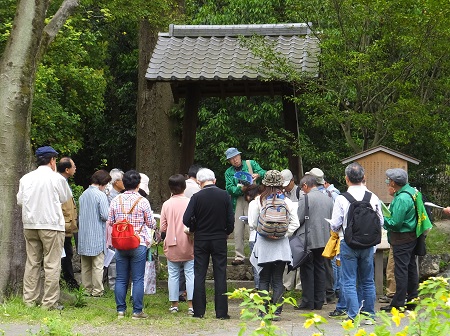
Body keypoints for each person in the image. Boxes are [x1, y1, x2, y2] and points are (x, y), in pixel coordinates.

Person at [17, 146, 72, 310]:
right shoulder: (57, 179)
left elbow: (20, 201)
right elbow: (65, 197)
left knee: (32, 262)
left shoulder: (26, 178)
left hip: (30, 224)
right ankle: (49, 303)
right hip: (51, 225)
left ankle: (29, 300)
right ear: (52, 160)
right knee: (52, 263)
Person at [329, 162, 383, 322]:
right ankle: (369, 315)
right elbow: (380, 222)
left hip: (348, 243)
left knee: (349, 280)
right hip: (368, 244)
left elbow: (335, 224)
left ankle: (353, 315)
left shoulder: (342, 198)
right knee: (367, 280)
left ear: (346, 179)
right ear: (364, 177)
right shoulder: (373, 197)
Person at [183, 168, 234, 319]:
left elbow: (186, 219)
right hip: (219, 238)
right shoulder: (224, 195)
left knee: (199, 274)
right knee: (220, 274)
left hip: (201, 239)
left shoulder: (197, 197)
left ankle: (198, 311)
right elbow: (230, 220)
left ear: (199, 182)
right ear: (215, 180)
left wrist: (194, 226)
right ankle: (221, 312)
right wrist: (226, 232)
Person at [249, 170, 300, 320]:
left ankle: (263, 312)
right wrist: (282, 234)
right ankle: (276, 312)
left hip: (264, 245)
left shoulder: (258, 201)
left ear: (264, 183)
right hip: (281, 247)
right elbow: (295, 223)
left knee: (264, 279)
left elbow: (252, 223)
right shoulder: (287, 202)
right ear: (280, 184)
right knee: (278, 279)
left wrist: (266, 232)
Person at [107, 170, 157, 319]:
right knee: (137, 279)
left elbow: (110, 221)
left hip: (121, 243)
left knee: (121, 278)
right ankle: (137, 311)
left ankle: (120, 311)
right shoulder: (142, 201)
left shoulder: (116, 200)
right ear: (138, 184)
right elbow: (150, 223)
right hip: (138, 243)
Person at [380, 168, 420, 312]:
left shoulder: (402, 198)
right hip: (411, 236)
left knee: (400, 270)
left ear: (394, 182)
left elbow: (396, 223)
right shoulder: (412, 192)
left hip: (401, 238)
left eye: (388, 180)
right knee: (410, 268)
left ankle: (398, 303)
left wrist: (382, 219)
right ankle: (412, 300)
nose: (387, 182)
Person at [295, 174, 333, 310]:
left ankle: (308, 301)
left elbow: (299, 219)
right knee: (320, 268)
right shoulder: (328, 198)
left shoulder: (305, 198)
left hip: (308, 239)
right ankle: (319, 301)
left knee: (307, 270)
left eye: (302, 187)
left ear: (305, 186)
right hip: (324, 239)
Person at [224, 147, 266, 265]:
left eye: (236, 157)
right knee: (238, 228)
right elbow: (229, 188)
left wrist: (258, 175)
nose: (234, 160)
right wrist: (240, 189)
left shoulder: (251, 164)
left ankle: (257, 252)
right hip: (239, 200)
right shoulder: (229, 172)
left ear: (240, 156)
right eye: (231, 159)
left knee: (253, 225)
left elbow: (264, 173)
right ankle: (239, 255)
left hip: (254, 198)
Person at [160, 174, 194, 315]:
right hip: (188, 242)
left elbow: (163, 227)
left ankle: (174, 304)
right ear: (184, 187)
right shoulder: (190, 202)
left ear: (170, 188)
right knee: (190, 274)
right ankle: (191, 305)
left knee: (173, 274)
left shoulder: (166, 204)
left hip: (172, 243)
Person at [78, 170, 111, 297]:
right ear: (103, 183)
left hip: (83, 234)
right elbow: (105, 215)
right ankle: (97, 290)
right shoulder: (100, 195)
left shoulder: (83, 194)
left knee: (85, 265)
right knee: (97, 265)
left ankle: (86, 289)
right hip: (96, 234)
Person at [306, 167, 336, 304]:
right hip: (327, 235)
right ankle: (327, 293)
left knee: (320, 266)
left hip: (315, 235)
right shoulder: (330, 195)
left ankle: (324, 293)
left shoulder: (310, 196)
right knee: (325, 265)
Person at [56, 157, 80, 291]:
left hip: (67, 225)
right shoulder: (59, 182)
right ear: (67, 169)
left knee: (67, 253)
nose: (75, 168)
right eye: (73, 166)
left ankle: (68, 280)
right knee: (64, 254)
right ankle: (69, 281)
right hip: (62, 225)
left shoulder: (64, 182)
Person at [280, 169, 302, 292]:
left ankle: (299, 286)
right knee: (287, 257)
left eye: (287, 184)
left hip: (298, 229)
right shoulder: (282, 194)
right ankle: (287, 284)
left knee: (298, 256)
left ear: (293, 181)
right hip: (287, 230)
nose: (285, 187)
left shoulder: (300, 192)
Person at [105, 168, 124, 291]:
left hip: (117, 230)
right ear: (116, 182)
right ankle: (112, 285)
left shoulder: (117, 195)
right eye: (122, 180)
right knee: (113, 258)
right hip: (112, 230)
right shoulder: (112, 196)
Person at [242, 184, 264, 289]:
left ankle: (258, 287)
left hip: (254, 236)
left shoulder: (253, 203)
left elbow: (253, 223)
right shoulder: (265, 201)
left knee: (256, 266)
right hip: (265, 236)